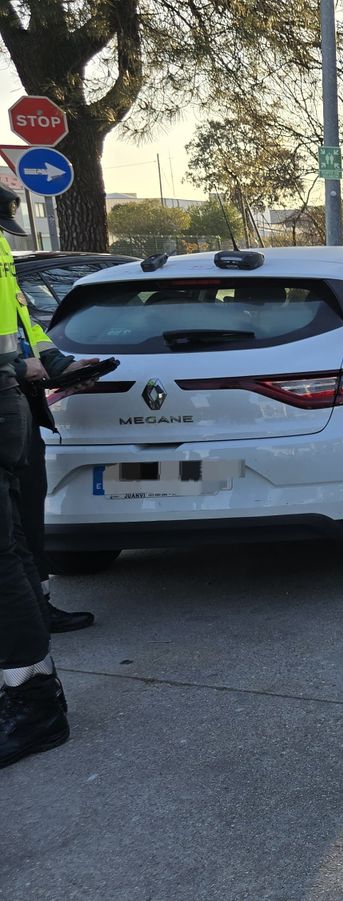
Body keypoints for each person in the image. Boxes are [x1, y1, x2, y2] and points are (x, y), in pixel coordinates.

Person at [0, 184, 70, 769]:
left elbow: (16, 325)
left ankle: (31, 700)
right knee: (11, 543)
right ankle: (28, 693)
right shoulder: (3, 254)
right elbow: (17, 320)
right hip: (10, 395)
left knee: (7, 548)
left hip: (7, 395)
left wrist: (32, 361)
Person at [16, 273, 94, 632]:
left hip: (19, 411)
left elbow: (25, 330)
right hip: (10, 405)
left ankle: (37, 609)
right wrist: (17, 367)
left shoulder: (3, 261)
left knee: (27, 520)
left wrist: (62, 366)